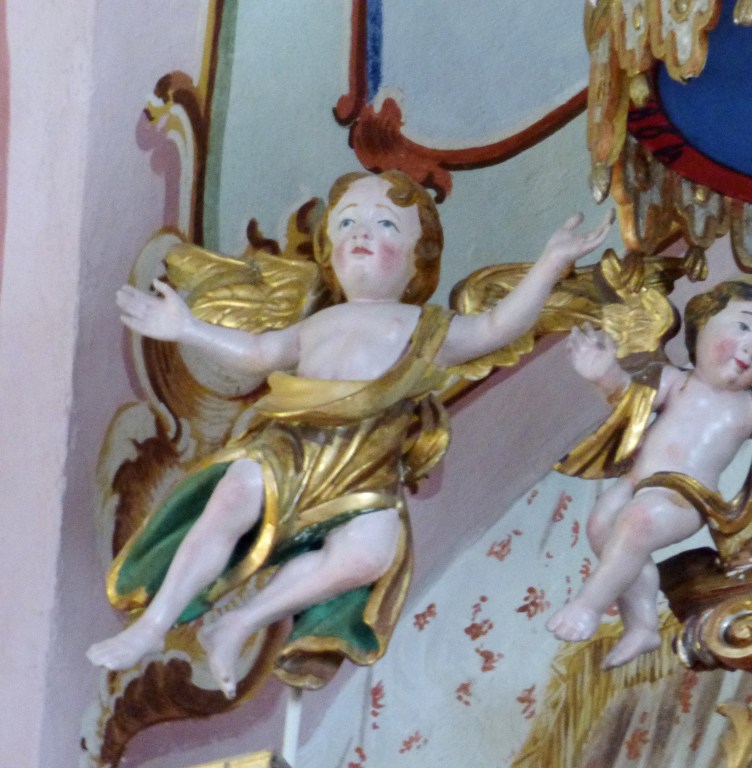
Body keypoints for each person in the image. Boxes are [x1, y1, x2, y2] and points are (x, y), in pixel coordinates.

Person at [87, 170, 613, 697]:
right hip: (291, 448)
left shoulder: (425, 326)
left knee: (369, 554)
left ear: (418, 258)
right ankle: (154, 624)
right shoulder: (318, 323)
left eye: (386, 225)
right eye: (346, 224)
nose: (361, 232)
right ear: (329, 251)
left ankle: (241, 622)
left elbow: (497, 327)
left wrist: (550, 263)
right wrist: (186, 328)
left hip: (365, 464)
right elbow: (259, 353)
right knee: (233, 496)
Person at [546, 280, 752, 668]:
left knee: (638, 523)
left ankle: (588, 606)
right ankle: (642, 623)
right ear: (702, 324)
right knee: (602, 528)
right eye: (744, 326)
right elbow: (629, 396)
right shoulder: (676, 381)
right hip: (637, 482)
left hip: (686, 499)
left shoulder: (749, 408)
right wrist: (604, 373)